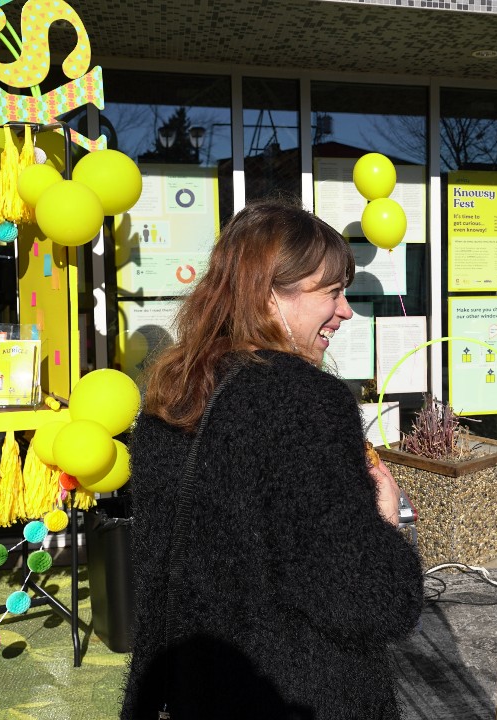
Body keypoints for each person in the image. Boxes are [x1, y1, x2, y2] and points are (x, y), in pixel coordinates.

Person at [121, 199, 423, 719]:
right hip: (292, 693)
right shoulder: (302, 401)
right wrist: (384, 521)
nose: (346, 311)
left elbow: (163, 579)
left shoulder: (173, 395)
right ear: (267, 296)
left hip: (194, 688)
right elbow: (365, 600)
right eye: (331, 292)